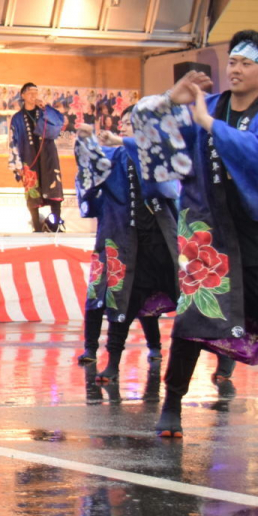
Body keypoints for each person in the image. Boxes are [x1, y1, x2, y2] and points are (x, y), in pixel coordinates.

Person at [129, 30, 258, 437]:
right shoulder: (204, 105)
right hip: (207, 234)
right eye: (231, 61)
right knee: (195, 317)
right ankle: (173, 405)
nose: (234, 69)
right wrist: (169, 100)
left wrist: (210, 125)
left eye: (245, 63)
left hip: (254, 234)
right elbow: (143, 123)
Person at [74, 111, 177, 384]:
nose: (133, 128)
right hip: (121, 238)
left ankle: (223, 359)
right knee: (117, 299)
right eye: (130, 124)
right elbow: (91, 167)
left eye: (138, 124)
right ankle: (105, 357)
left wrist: (123, 141)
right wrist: (85, 141)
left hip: (161, 242)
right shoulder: (114, 157)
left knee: (191, 299)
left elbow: (166, 178)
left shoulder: (158, 152)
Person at [7, 82, 65, 232]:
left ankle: (56, 224)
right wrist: (17, 165)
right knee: (32, 191)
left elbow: (60, 122)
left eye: (35, 93)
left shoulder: (44, 111)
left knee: (53, 187)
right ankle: (37, 227)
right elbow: (13, 141)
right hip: (29, 156)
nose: (34, 96)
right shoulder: (17, 118)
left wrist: (46, 108)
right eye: (30, 93)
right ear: (23, 95)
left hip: (48, 156)